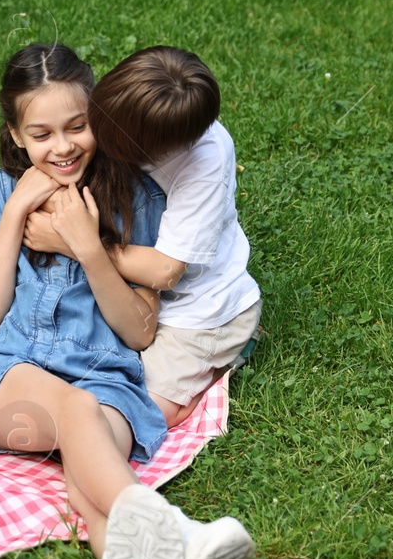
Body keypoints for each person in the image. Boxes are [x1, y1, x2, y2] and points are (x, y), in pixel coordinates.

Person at [0, 42, 253, 559]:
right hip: (13, 380)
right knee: (71, 411)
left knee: (86, 438)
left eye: (77, 126)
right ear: (16, 135)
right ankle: (172, 531)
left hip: (108, 379)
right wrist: (14, 213)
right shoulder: (1, 190)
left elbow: (141, 333)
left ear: (100, 118)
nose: (61, 146)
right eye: (40, 134)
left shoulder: (136, 197)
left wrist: (87, 247)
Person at [28, 46, 261, 428]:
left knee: (138, 411)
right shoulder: (132, 106)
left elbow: (166, 272)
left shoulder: (204, 160)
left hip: (197, 312)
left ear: (155, 149)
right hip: (132, 295)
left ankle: (217, 365)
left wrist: (70, 242)